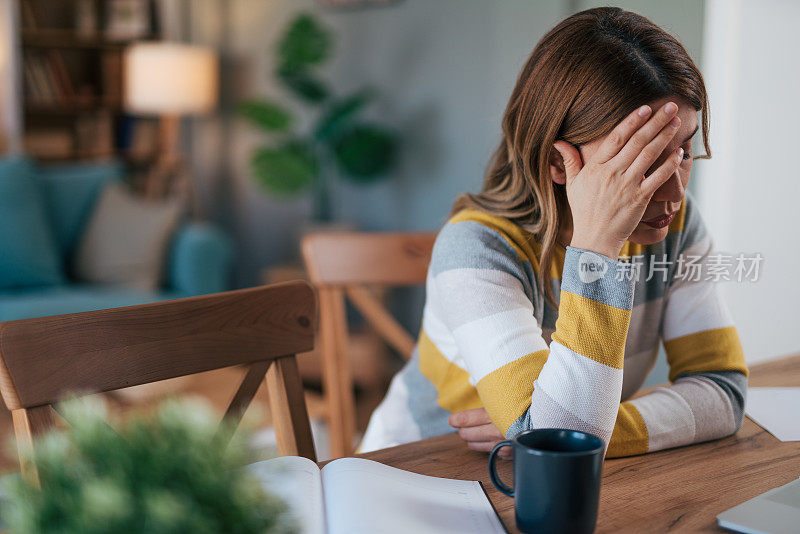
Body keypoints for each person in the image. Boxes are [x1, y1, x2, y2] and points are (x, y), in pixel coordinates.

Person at [358, 6, 748, 459]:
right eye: (642, 163)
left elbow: (723, 390)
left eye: (682, 150)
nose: (676, 192)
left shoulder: (675, 222)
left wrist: (579, 430)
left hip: (550, 479)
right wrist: (597, 251)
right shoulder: (476, 248)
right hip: (421, 467)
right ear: (558, 163)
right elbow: (557, 444)